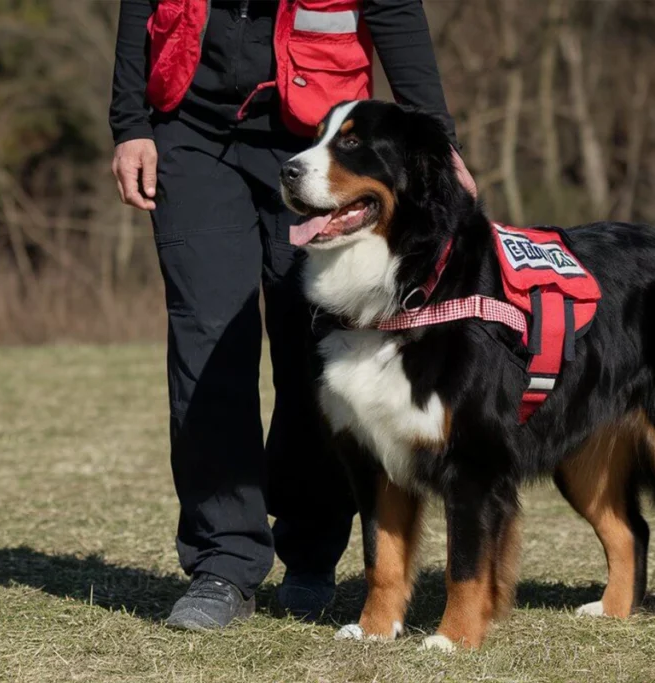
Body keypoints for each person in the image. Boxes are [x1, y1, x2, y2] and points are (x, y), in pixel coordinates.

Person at [109, 0, 474, 631]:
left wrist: (438, 141)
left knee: (315, 350)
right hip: (190, 132)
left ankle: (310, 551)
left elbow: (393, 11)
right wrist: (130, 123)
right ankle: (223, 563)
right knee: (206, 341)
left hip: (316, 135)